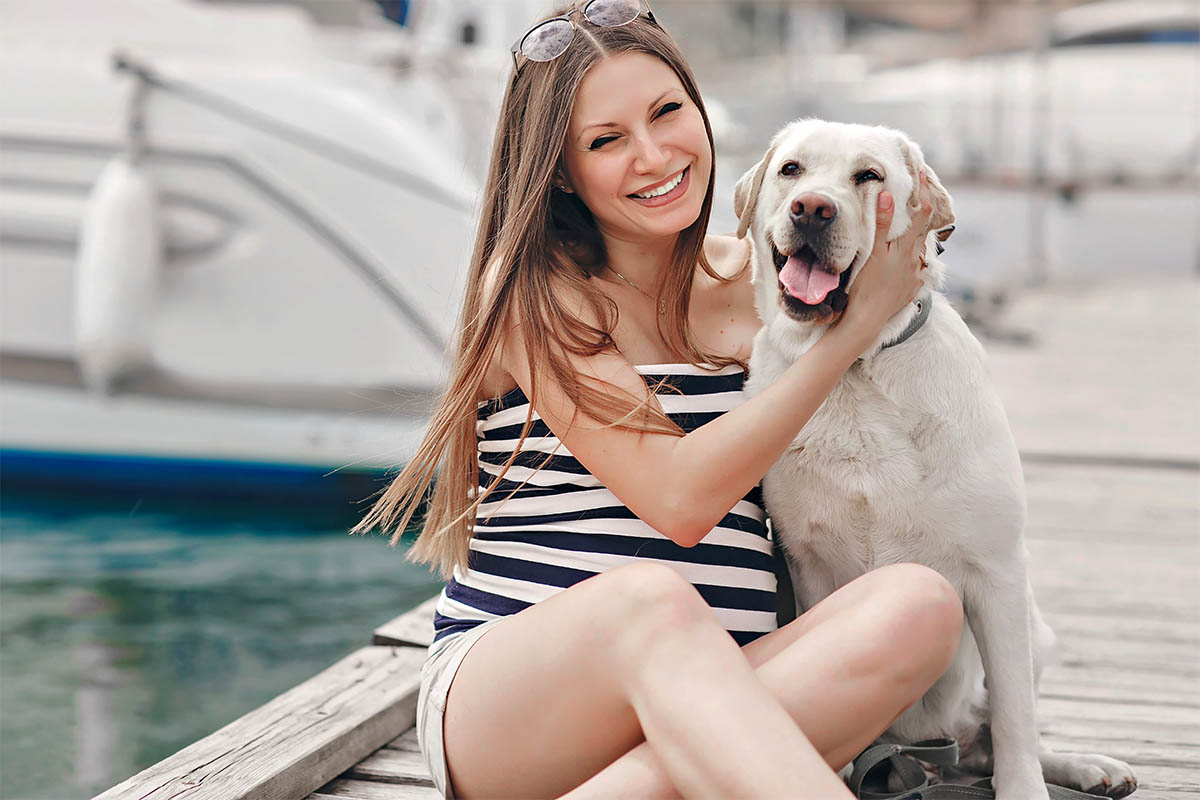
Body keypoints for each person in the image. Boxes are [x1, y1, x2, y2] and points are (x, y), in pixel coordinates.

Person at [351, 2, 964, 797]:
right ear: (562, 171)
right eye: (607, 141)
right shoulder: (535, 291)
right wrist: (849, 332)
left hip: (728, 694)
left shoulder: (769, 281)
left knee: (920, 602)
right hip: (516, 710)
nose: (653, 154)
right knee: (652, 602)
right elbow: (679, 499)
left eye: (667, 112)